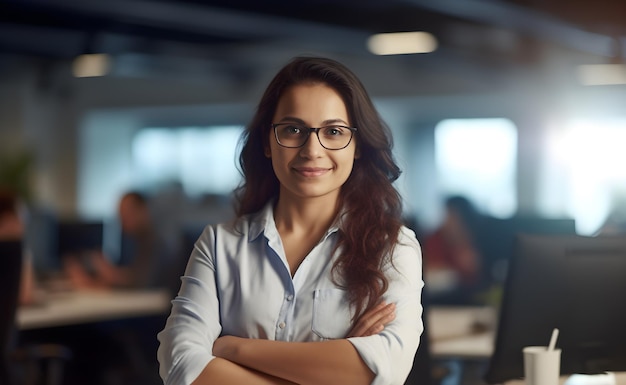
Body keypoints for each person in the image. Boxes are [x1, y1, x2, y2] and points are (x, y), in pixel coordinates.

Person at [157, 56, 424, 385]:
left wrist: (234, 349)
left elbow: (385, 370)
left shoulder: (392, 247)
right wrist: (331, 368)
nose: (312, 150)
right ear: (268, 142)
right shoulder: (218, 244)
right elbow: (181, 365)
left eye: (334, 131)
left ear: (356, 146)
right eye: (293, 129)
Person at [64, 191, 180, 292]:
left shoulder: (158, 242)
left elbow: (141, 284)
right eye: (120, 216)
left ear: (143, 210)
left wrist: (108, 274)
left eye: (126, 215)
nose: (122, 222)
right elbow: (130, 277)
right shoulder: (134, 242)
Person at [422, 195, 484, 303]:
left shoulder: (478, 238)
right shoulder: (435, 238)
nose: (448, 220)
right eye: (448, 215)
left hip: (471, 299)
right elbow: (429, 269)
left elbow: (473, 271)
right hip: (441, 300)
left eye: (454, 216)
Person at [0, 188, 38, 306]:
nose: (24, 222)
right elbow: (25, 296)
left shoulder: (17, 251)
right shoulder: (14, 252)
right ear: (8, 218)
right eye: (22, 215)